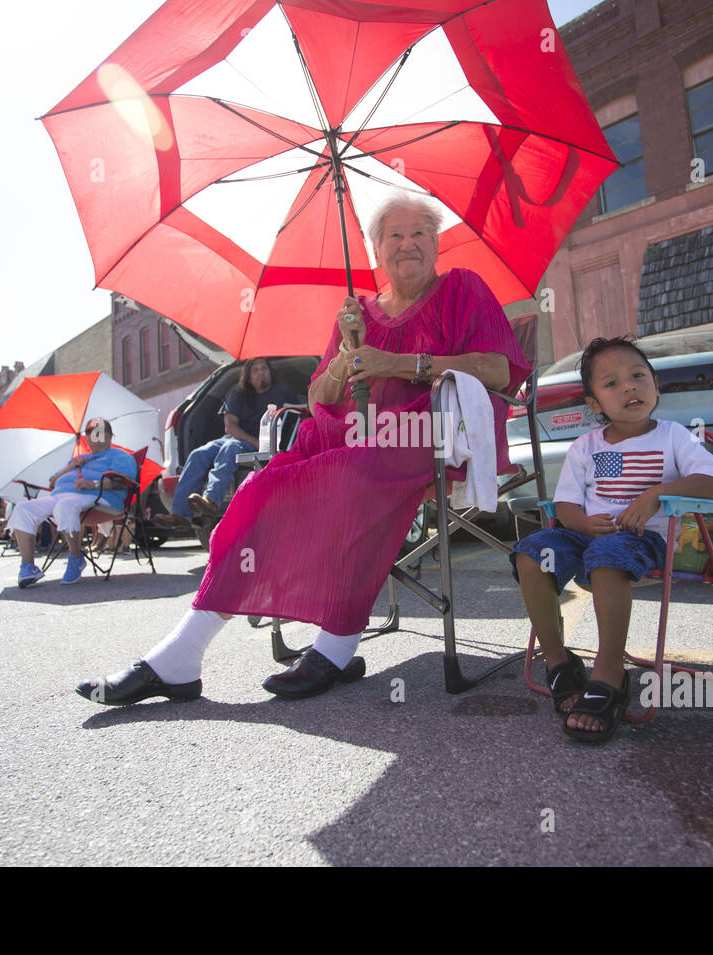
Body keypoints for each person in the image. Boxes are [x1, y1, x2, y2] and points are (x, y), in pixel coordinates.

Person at [77, 195, 529, 706]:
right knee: (261, 489)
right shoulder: (356, 314)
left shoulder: (462, 288)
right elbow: (319, 398)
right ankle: (181, 657)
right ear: (377, 250)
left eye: (421, 233)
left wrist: (398, 364)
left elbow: (496, 368)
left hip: (425, 435)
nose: (408, 244)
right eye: (395, 235)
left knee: (348, 479)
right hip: (350, 439)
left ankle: (335, 644)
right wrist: (348, 354)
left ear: (436, 244)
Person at [510, 337, 713, 744]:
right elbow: (566, 505)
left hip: (644, 541)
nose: (629, 387)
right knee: (531, 553)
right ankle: (559, 663)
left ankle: (609, 671)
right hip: (587, 534)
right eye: (611, 384)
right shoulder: (585, 447)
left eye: (638, 376)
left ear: (655, 385)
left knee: (609, 555)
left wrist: (656, 494)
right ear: (595, 405)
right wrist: (583, 524)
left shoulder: (674, 437)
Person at [158, 357, 302, 529]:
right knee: (198, 454)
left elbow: (296, 415)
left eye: (264, 368)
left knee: (230, 448)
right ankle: (179, 514)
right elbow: (230, 427)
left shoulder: (282, 392)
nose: (261, 372)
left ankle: (211, 500)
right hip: (241, 438)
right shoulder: (237, 394)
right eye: (255, 370)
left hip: (265, 440)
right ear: (248, 377)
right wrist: (253, 441)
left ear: (271, 373)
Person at [7, 417, 138, 587]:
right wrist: (72, 466)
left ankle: (76, 557)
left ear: (110, 436)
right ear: (86, 437)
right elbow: (52, 482)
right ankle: (28, 566)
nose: (95, 435)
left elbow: (122, 482)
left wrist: (93, 484)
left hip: (99, 498)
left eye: (100, 431)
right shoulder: (78, 459)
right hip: (60, 495)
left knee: (66, 505)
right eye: (91, 432)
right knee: (22, 508)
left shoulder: (120, 456)